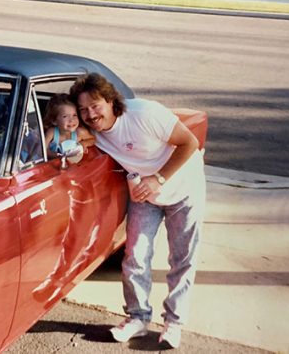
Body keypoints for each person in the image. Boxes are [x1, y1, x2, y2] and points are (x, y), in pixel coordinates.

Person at [70, 73, 205, 348]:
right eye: (83, 110)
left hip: (183, 188)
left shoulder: (145, 113)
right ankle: (138, 318)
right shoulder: (93, 132)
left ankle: (174, 323)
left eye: (95, 106)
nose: (90, 115)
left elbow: (189, 142)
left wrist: (159, 179)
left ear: (110, 100)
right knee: (135, 256)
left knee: (182, 258)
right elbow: (65, 135)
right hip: (144, 194)